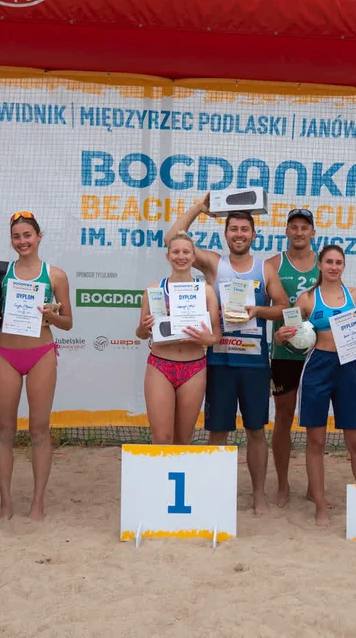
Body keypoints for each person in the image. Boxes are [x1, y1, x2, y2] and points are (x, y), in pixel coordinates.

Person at [165, 194, 288, 516]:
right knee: (217, 430)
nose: (239, 234)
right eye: (234, 228)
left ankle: (259, 495)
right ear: (226, 233)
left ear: (253, 234)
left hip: (255, 362)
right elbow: (172, 239)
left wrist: (258, 310)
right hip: (218, 359)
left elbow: (285, 309)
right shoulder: (213, 263)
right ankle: (212, 492)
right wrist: (198, 209)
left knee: (256, 430)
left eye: (245, 229)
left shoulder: (266, 269)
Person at [0, 211, 71, 521]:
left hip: (40, 352)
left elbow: (68, 322)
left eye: (28, 235)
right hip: (5, 354)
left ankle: (37, 503)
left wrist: (50, 316)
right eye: (17, 236)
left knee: (40, 430)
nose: (23, 241)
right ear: (11, 240)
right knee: (4, 431)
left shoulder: (55, 275)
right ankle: (5, 502)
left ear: (38, 237)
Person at [276, 244, 356, 527]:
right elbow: (289, 335)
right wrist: (283, 336)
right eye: (329, 262)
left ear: (344, 265)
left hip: (349, 368)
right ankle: (320, 505)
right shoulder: (308, 298)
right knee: (316, 442)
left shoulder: (354, 295)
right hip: (319, 367)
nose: (334, 267)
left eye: (339, 262)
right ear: (320, 264)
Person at [135, 232, 220, 445]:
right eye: (175, 252)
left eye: (185, 252)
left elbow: (216, 336)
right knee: (162, 437)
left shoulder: (206, 292)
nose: (180, 256)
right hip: (160, 366)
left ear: (193, 258)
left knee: (184, 438)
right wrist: (144, 328)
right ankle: (158, 479)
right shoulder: (153, 291)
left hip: (194, 368)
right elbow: (141, 332)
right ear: (167, 256)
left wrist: (206, 338)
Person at [266, 208, 320, 507]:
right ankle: (283, 484)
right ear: (286, 231)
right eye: (294, 227)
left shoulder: (325, 266)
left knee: (314, 421)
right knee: (284, 418)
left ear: (313, 233)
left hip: (318, 353)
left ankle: (314, 486)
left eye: (304, 228)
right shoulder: (273, 264)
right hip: (284, 351)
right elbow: (266, 306)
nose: (299, 232)